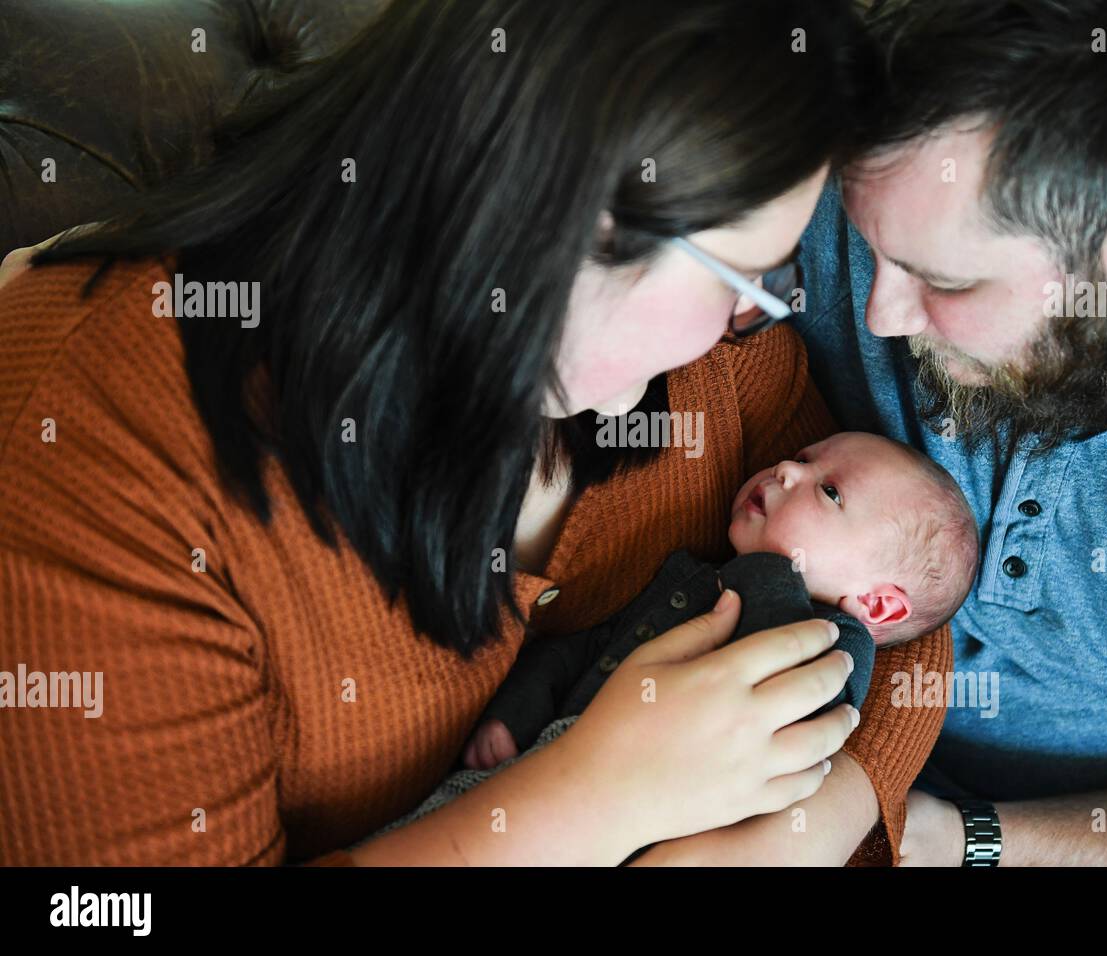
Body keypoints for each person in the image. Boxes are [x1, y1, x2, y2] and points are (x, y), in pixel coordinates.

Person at [0, 0, 952, 866]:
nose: (740, 331)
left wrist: (811, 822)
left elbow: (905, 580)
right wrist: (593, 800)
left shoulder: (708, 369)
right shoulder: (100, 451)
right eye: (746, 284)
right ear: (571, 208)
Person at [795, 0, 1107, 865]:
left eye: (943, 282)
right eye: (871, 247)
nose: (879, 314)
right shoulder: (895, 189)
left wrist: (962, 841)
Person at [418, 433, 977, 813]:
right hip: (539, 769)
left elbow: (794, 707)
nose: (788, 469)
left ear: (878, 607)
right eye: (803, 458)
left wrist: (770, 565)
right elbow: (582, 646)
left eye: (829, 491)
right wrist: (514, 715)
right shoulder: (695, 578)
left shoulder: (837, 645)